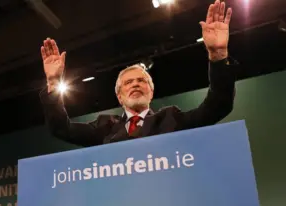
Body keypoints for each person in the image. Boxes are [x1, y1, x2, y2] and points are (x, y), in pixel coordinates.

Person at [40, 0, 236, 147]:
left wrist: (218, 55)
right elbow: (61, 128)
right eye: (128, 82)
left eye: (141, 81)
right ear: (119, 96)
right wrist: (53, 82)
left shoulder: (171, 119)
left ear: (151, 92)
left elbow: (218, 105)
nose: (135, 84)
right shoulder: (103, 128)